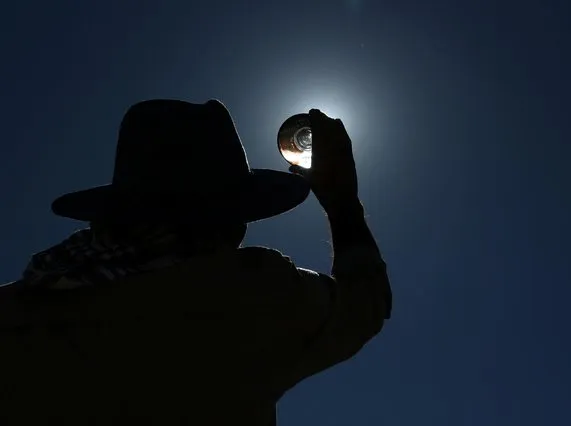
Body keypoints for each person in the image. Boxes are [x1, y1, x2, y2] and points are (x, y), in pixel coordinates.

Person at [0, 99, 392, 425]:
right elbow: (363, 306)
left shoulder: (17, 307)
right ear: (228, 220)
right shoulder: (253, 295)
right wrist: (342, 203)